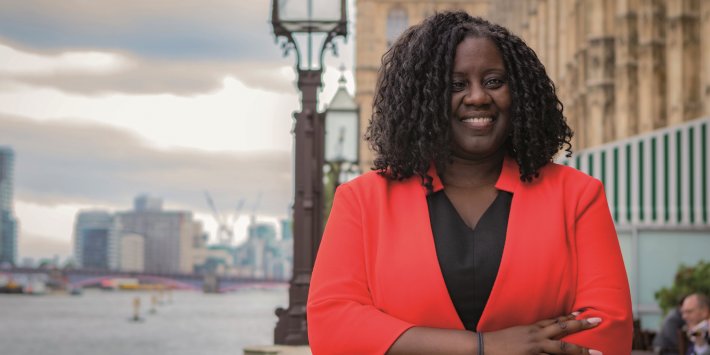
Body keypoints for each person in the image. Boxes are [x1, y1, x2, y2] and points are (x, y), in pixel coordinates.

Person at [307, 11, 633, 355]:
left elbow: (607, 331)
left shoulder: (578, 195)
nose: (478, 96)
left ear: (519, 91)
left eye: (493, 81)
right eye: (455, 85)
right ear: (424, 98)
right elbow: (332, 326)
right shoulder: (361, 200)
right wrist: (483, 347)